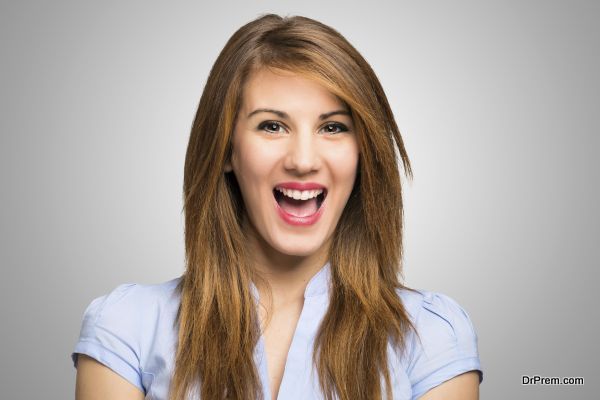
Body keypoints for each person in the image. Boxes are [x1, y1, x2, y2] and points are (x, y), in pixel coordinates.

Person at [71, 13, 483, 400]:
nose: (303, 160)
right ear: (226, 148)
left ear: (363, 153)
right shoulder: (127, 329)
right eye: (272, 125)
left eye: (333, 127)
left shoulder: (431, 337)